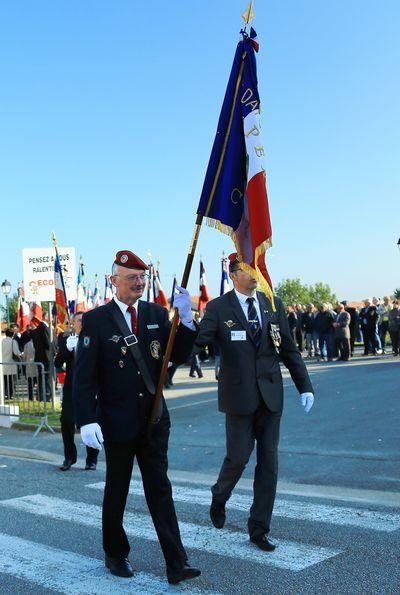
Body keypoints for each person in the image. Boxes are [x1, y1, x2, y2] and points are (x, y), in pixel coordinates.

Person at [73, 250, 201, 585]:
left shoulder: (156, 313)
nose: (139, 283)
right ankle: (115, 553)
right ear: (114, 280)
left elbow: (180, 354)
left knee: (160, 489)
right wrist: (86, 419)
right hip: (116, 421)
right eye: (131, 278)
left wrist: (186, 321)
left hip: (153, 419)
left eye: (142, 278)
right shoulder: (98, 320)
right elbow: (83, 376)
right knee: (117, 489)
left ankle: (177, 562)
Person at [194, 253, 314, 552]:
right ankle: (219, 495)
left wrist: (304, 386)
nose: (255, 274)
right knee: (238, 458)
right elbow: (199, 343)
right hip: (239, 396)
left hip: (272, 395)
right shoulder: (219, 307)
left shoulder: (272, 303)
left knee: (269, 464)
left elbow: (288, 348)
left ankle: (259, 529)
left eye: (258, 268)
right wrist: (185, 322)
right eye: (248, 269)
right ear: (233, 274)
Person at [55, 312, 99, 471]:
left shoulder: (95, 339)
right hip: (72, 389)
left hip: (91, 389)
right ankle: (69, 457)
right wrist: (66, 350)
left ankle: (92, 459)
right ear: (73, 323)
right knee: (66, 421)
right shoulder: (66, 339)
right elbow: (57, 362)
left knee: (92, 423)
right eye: (79, 320)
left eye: (84, 320)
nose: (82, 323)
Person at [31, 312, 52, 400]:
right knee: (47, 377)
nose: (52, 317)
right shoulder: (44, 327)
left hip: (40, 357)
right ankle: (46, 396)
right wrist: (55, 351)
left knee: (41, 377)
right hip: (46, 357)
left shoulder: (38, 328)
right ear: (45, 317)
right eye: (50, 316)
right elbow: (48, 343)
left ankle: (40, 396)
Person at [1, 329, 21, 398]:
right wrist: (21, 354)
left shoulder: (2, 342)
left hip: (3, 364)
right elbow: (16, 352)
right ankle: (11, 394)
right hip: (11, 363)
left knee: (5, 381)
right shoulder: (13, 342)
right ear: (12, 334)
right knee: (12, 381)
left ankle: (4, 394)